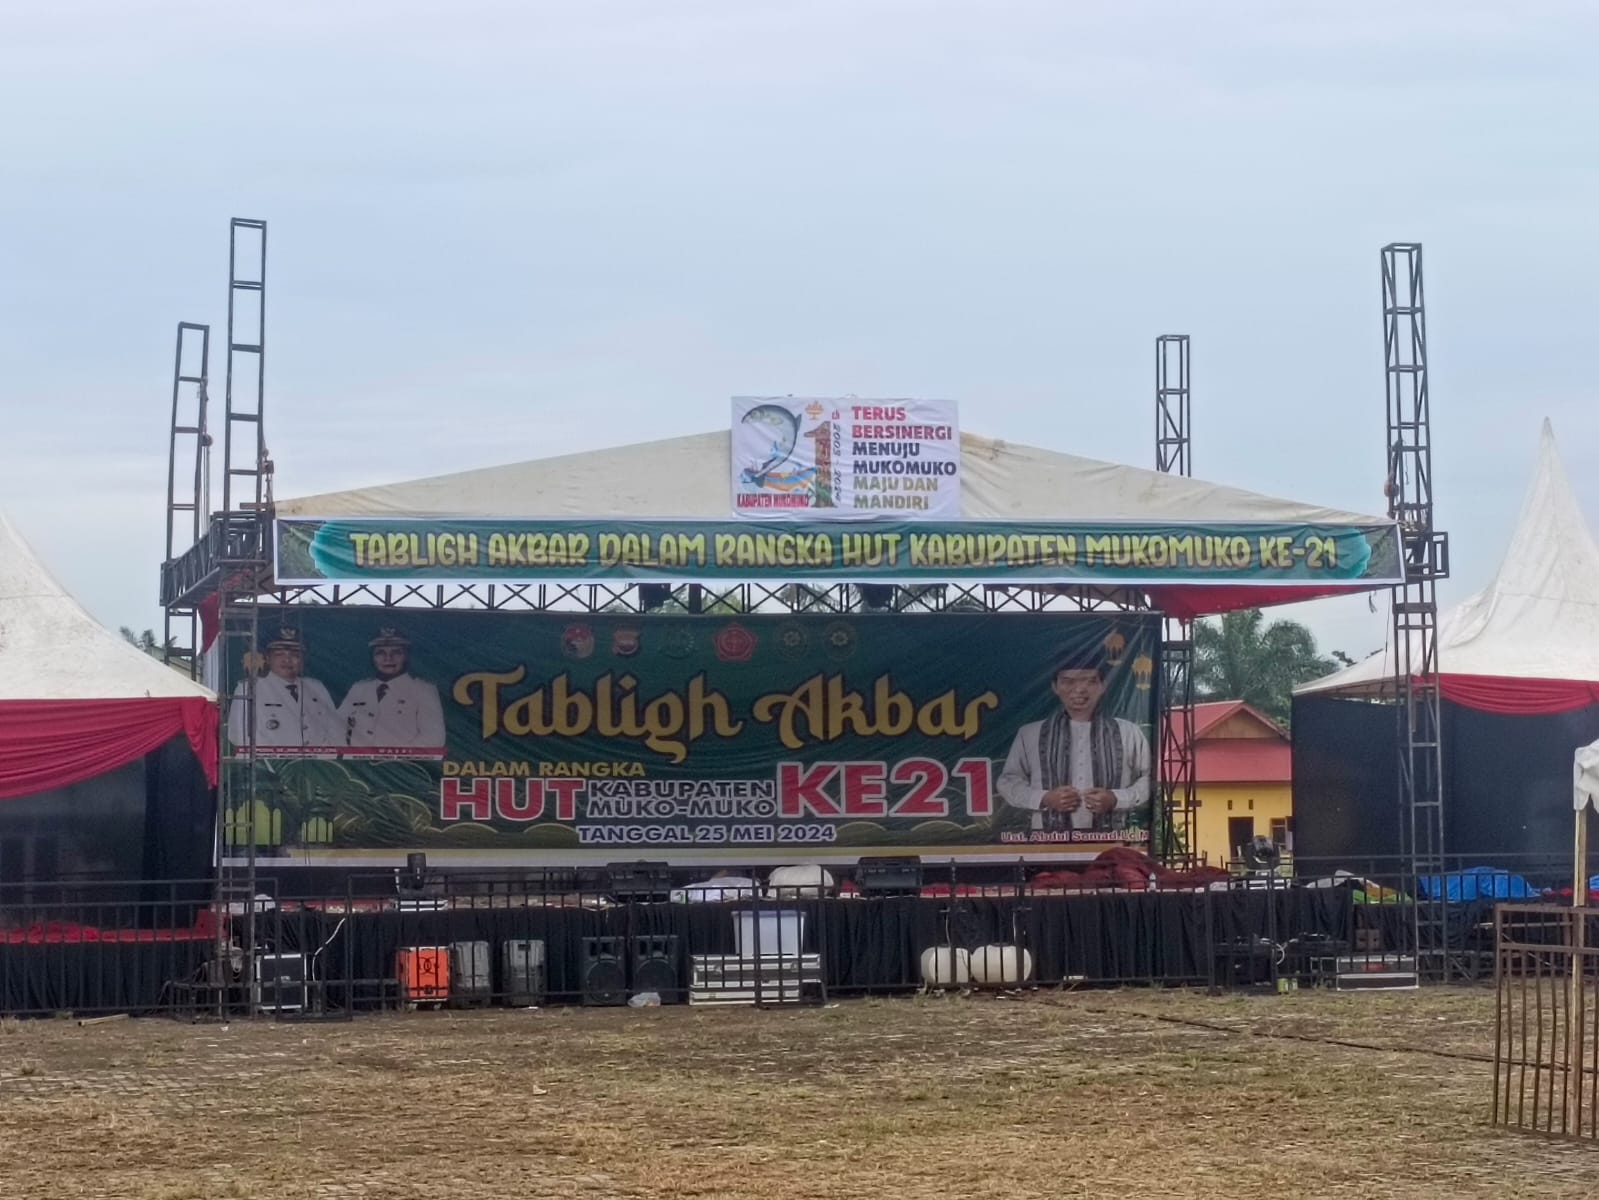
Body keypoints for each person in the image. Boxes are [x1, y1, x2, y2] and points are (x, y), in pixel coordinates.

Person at [997, 651, 1152, 833]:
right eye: (1068, 681)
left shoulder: (1128, 732)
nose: (1079, 689)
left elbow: (1151, 778)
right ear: (1055, 687)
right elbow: (1008, 781)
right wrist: (1045, 798)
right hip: (1047, 846)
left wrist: (1116, 799)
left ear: (1103, 686)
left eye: (1089, 681)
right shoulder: (1030, 733)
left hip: (1112, 844)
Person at [226, 628, 343, 752]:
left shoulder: (316, 687)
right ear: (268, 658)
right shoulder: (249, 688)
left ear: (303, 659)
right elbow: (238, 735)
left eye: (294, 655)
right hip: (271, 766)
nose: (287, 660)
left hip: (319, 764)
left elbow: (334, 729)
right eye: (279, 654)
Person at [340, 627, 446, 751]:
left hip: (403, 766)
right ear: (372, 658)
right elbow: (336, 725)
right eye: (380, 653)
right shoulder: (359, 688)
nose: (388, 658)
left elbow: (434, 738)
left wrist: (391, 758)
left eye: (396, 652)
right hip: (357, 766)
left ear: (406, 657)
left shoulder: (423, 690)